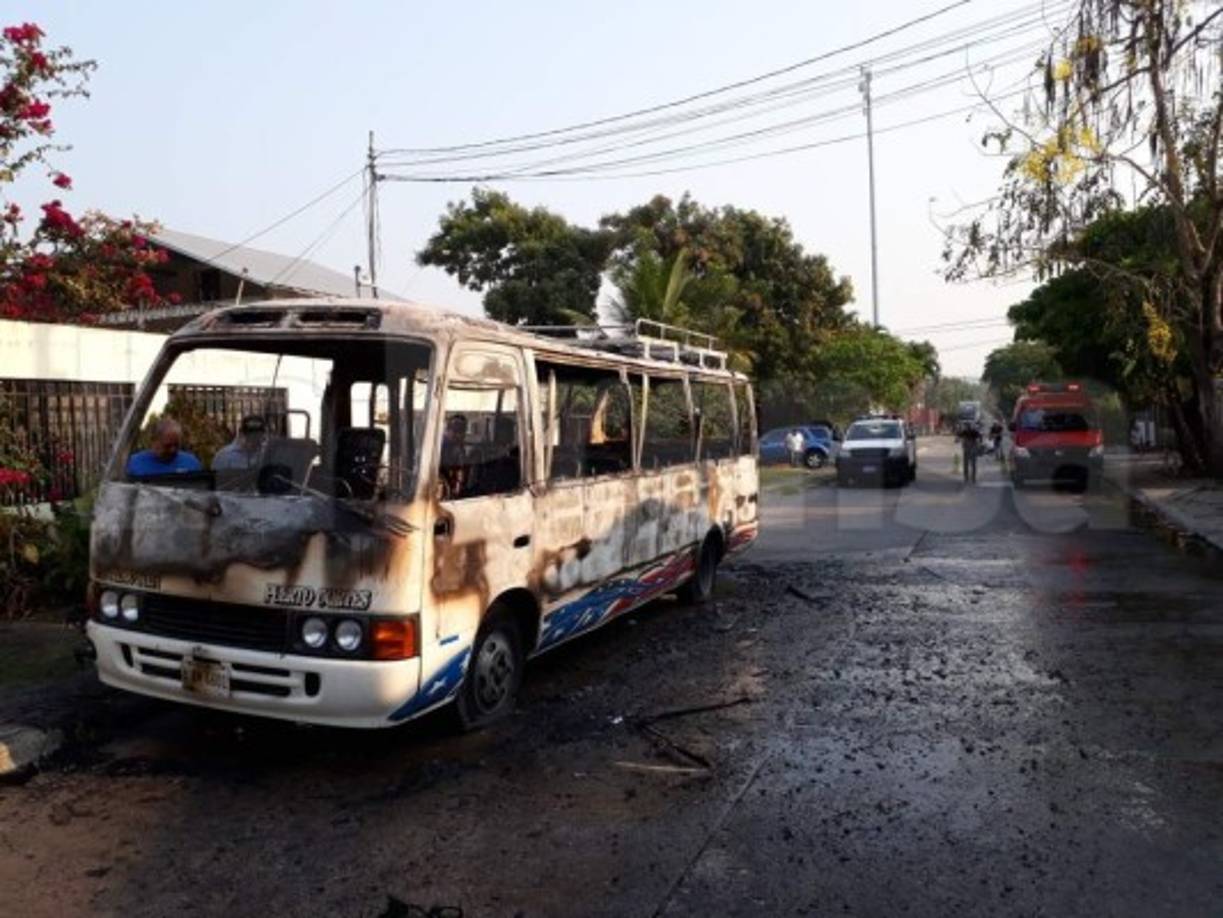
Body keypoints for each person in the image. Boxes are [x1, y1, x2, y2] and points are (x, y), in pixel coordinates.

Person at [125, 418, 202, 477]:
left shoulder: (192, 464)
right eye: (167, 446)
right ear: (154, 441)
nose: (172, 450)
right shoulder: (134, 464)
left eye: (176, 445)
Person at [439, 413, 468, 498]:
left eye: (462, 431)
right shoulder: (440, 447)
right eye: (455, 430)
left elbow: (461, 468)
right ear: (448, 430)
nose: (458, 435)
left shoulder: (459, 448)